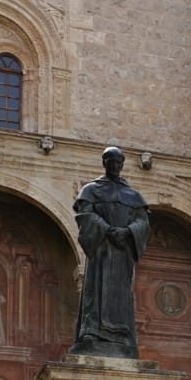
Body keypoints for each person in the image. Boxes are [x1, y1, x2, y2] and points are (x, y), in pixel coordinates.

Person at [72, 146, 150, 358]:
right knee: (95, 290)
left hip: (122, 250)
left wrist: (128, 231)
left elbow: (143, 221)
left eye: (118, 162)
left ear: (122, 164)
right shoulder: (91, 190)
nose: (115, 166)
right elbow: (85, 215)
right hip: (101, 247)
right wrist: (106, 230)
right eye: (111, 162)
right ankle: (92, 332)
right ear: (104, 163)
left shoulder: (133, 195)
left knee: (120, 293)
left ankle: (122, 336)